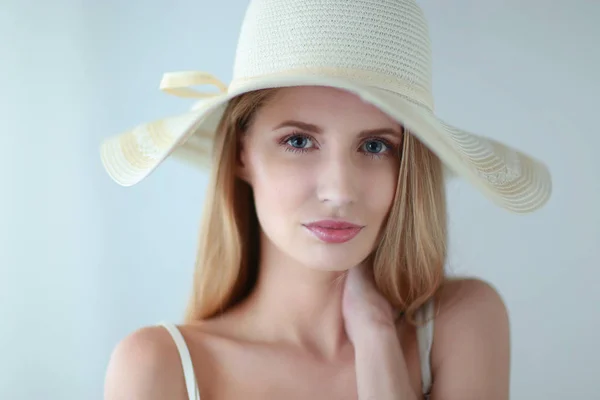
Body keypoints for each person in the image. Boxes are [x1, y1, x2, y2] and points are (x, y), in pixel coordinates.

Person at [100, 0, 552, 399]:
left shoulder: (461, 323)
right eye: (298, 141)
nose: (339, 191)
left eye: (375, 146)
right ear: (241, 153)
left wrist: (377, 344)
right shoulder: (160, 367)